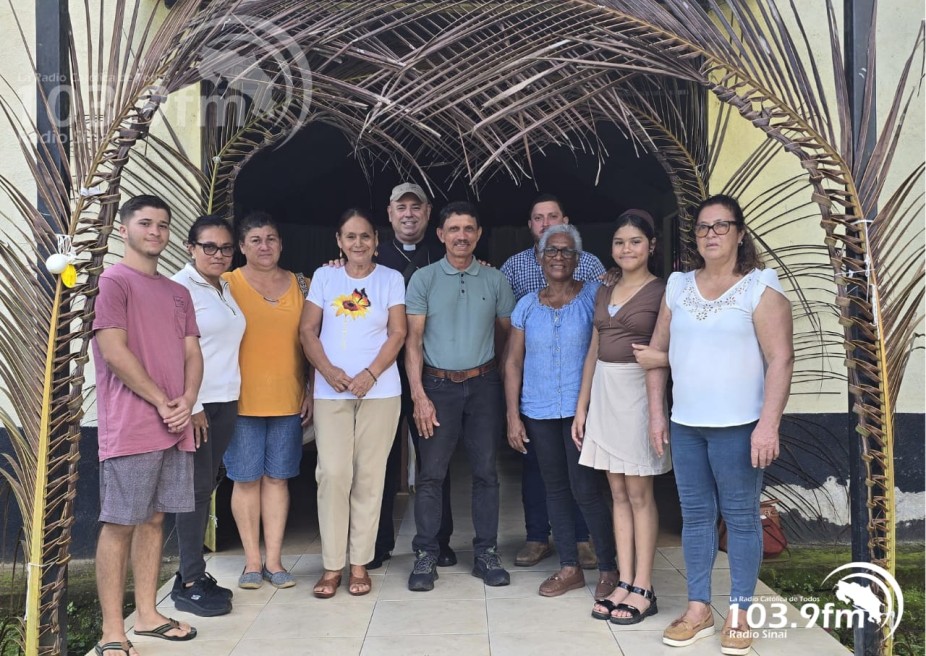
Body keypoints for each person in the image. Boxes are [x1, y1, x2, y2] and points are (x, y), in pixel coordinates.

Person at [646, 195, 793, 654]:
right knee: (695, 518)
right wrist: (656, 414)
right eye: (704, 227)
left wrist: (768, 425)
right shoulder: (678, 286)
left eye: (721, 226)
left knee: (743, 519)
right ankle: (698, 610)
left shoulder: (759, 288)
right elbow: (656, 355)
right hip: (688, 424)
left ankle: (740, 613)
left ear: (740, 233)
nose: (711, 234)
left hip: (740, 426)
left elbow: (781, 359)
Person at [92, 194, 202, 654]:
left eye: (162, 224)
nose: (154, 231)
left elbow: (192, 352)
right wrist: (162, 400)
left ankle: (148, 615)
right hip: (132, 425)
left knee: (156, 520)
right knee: (120, 522)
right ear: (124, 229)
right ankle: (113, 631)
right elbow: (114, 351)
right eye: (145, 223)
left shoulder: (178, 292)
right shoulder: (112, 283)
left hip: (176, 425)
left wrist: (188, 400)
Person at [504, 224, 619, 600]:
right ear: (538, 258)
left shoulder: (593, 298)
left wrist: (616, 273)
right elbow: (513, 364)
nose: (557, 257)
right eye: (550, 251)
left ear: (578, 259)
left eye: (566, 251)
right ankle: (569, 567)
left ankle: (608, 567)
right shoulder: (526, 306)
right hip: (537, 411)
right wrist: (512, 415)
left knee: (585, 489)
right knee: (554, 488)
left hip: (579, 410)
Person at [405, 201, 516, 592]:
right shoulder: (423, 279)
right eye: (454, 229)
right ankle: (427, 553)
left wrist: (501, 388)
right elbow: (413, 342)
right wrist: (418, 395)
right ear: (441, 235)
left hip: (483, 384)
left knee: (486, 472)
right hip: (436, 386)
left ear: (479, 234)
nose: (462, 236)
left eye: (469, 229)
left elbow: (506, 339)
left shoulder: (495, 280)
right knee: (432, 474)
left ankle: (486, 552)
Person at [300, 208, 406, 598]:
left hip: (380, 391)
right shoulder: (326, 277)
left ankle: (359, 563)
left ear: (376, 241)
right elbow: (307, 330)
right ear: (339, 242)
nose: (358, 244)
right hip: (332, 392)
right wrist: (328, 371)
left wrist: (371, 374)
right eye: (350, 237)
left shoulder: (391, 279)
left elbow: (398, 333)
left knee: (369, 476)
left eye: (365, 236)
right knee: (332, 474)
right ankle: (331, 566)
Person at [573, 209, 671, 626]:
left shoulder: (664, 291)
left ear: (651, 246)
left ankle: (644, 585)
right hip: (604, 394)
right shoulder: (603, 288)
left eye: (634, 241)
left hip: (638, 393)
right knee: (615, 492)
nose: (626, 249)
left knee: (638, 493)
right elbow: (594, 348)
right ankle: (624, 580)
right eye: (619, 242)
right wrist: (582, 405)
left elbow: (674, 349)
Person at [223, 210, 312, 590]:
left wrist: (309, 387)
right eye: (256, 240)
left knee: (278, 480)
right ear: (241, 246)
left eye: (271, 238)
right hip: (240, 401)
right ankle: (252, 563)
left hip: (288, 400)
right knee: (245, 481)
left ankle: (275, 561)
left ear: (281, 243)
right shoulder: (225, 283)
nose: (265, 246)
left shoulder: (300, 283)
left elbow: (311, 339)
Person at [369, 182, 456, 570]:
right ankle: (378, 542)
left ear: (427, 212)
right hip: (383, 374)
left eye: (415, 207)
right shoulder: (369, 256)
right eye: (400, 206)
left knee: (435, 462)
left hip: (431, 373)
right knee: (381, 462)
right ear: (389, 213)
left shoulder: (448, 253)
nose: (408, 213)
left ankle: (440, 540)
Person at [170, 215, 246, 617]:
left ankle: (194, 573)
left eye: (226, 247)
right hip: (199, 406)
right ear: (190, 248)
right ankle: (189, 580)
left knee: (205, 486)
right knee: (194, 491)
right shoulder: (181, 288)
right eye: (209, 247)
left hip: (226, 401)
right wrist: (192, 404)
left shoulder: (224, 287)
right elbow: (172, 351)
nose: (219, 254)